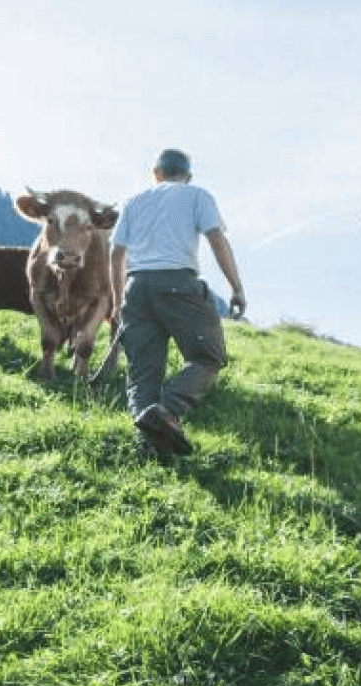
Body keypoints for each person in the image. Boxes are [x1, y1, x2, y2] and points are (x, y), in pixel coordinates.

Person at [111, 148, 246, 457]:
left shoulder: (134, 201)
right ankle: (167, 411)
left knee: (143, 372)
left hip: (136, 287)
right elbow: (217, 240)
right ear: (187, 176)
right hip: (177, 284)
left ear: (155, 174)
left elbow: (116, 254)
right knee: (209, 356)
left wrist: (119, 303)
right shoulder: (197, 195)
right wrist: (236, 287)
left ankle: (150, 446)